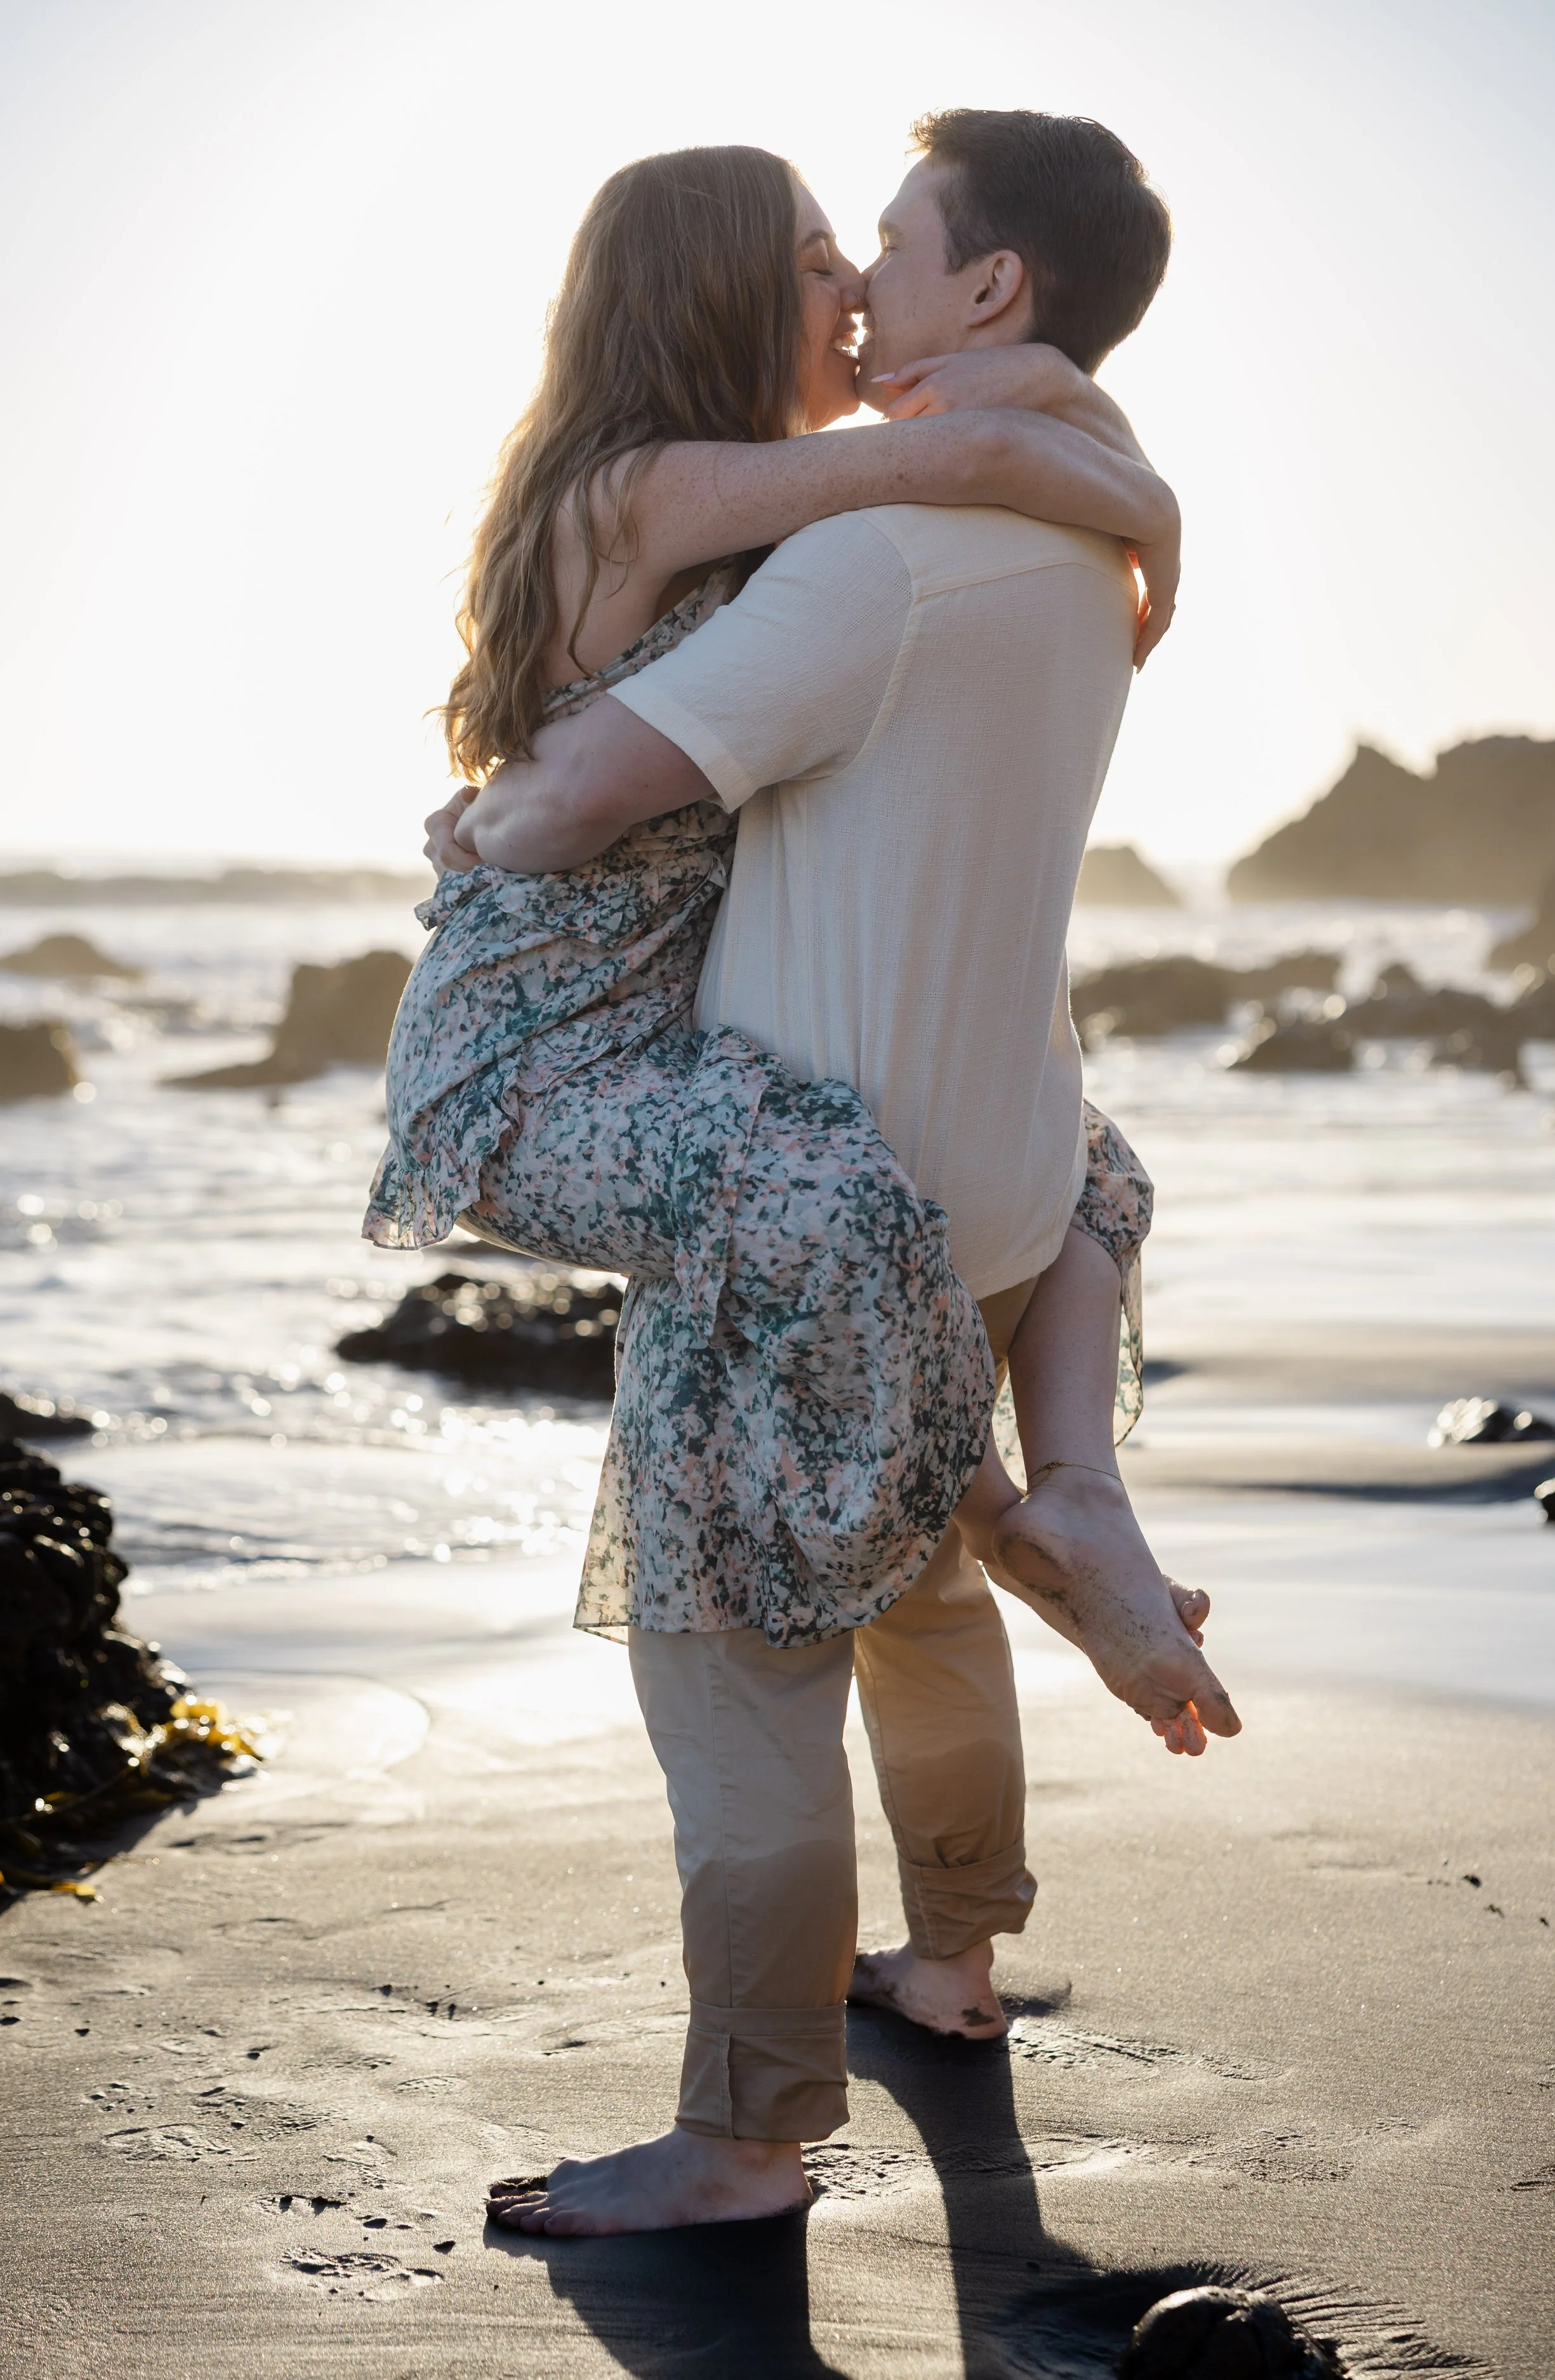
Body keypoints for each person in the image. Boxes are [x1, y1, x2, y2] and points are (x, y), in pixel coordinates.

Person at [397, 117, 1240, 2237]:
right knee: (943, 1325)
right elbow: (942, 470)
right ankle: (1030, 1562)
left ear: (992, 285)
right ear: (701, 292)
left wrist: (1094, 456)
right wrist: (1119, 483)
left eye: (872, 252)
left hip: (724, 1081)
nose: (850, 291)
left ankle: (748, 2130)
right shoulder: (687, 493)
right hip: (566, 1056)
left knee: (743, 1607)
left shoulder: (813, 553)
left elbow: (907, 502)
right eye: (809, 262)